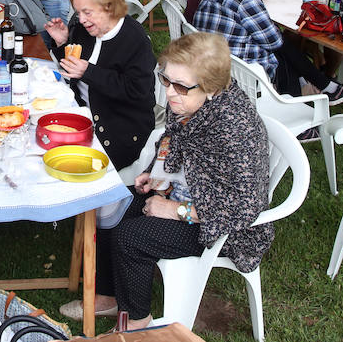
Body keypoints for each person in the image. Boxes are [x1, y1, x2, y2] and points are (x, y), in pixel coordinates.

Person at [103, 32, 274, 330]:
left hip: (222, 227)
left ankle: (137, 324)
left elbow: (245, 209)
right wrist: (156, 175)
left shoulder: (234, 131)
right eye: (165, 80)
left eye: (180, 86)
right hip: (187, 194)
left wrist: (174, 210)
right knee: (110, 208)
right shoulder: (188, 100)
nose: (169, 93)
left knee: (129, 238)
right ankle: (110, 299)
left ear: (211, 88)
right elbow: (172, 138)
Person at [193, 0, 343, 109]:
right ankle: (312, 98)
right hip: (237, 66)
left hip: (213, 57)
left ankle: (321, 89)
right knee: (283, 53)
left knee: (285, 50)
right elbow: (273, 41)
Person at [44, 0, 156, 170]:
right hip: (83, 113)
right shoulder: (83, 30)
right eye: (78, 12)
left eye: (87, 12)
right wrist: (62, 42)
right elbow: (73, 67)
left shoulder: (134, 39)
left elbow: (139, 91)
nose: (81, 19)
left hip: (119, 129)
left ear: (109, 6)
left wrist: (89, 72)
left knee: (64, 164)